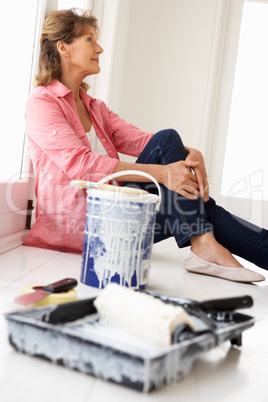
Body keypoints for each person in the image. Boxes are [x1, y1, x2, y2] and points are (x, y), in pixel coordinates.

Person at [24, 8, 268, 283]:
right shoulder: (42, 103)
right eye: (90, 39)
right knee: (194, 197)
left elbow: (145, 141)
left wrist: (189, 153)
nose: (100, 48)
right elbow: (81, 165)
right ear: (63, 47)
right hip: (81, 228)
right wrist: (164, 174)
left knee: (195, 198)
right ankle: (202, 246)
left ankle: (203, 244)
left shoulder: (95, 108)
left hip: (119, 219)